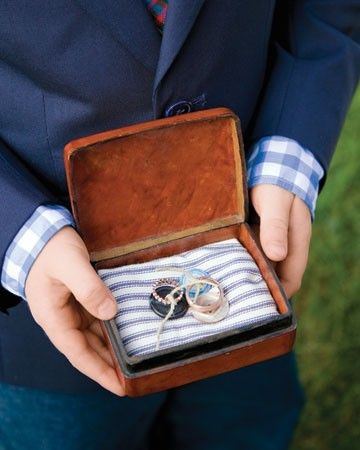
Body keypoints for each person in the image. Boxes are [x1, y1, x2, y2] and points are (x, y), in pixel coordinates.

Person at [0, 1, 359, 449]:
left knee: (248, 427)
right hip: (51, 331)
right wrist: (14, 227)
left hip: (245, 271)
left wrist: (292, 147)